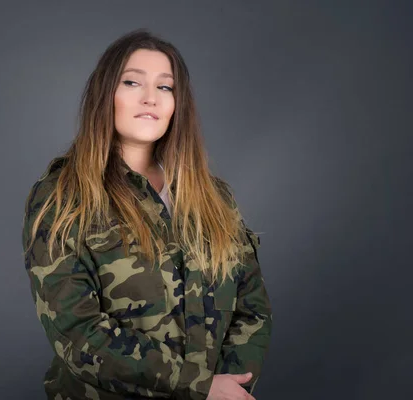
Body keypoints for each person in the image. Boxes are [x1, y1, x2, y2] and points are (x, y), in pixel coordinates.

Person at [21, 28, 272, 400]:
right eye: (132, 82)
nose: (151, 98)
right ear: (106, 95)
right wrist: (199, 388)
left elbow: (251, 308)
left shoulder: (214, 198)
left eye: (165, 87)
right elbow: (78, 332)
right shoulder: (64, 196)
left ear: (177, 104)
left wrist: (230, 389)